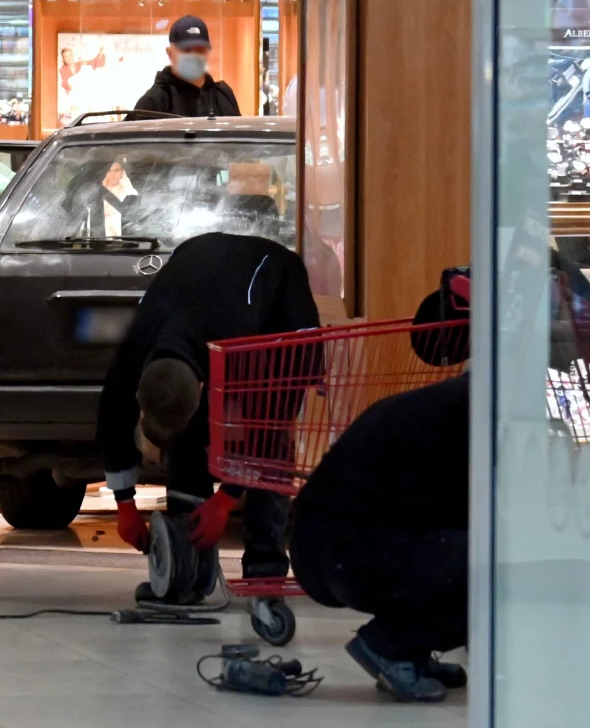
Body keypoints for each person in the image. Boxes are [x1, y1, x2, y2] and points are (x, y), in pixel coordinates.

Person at [98, 232, 319, 601]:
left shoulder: (240, 339)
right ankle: (190, 568)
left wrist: (227, 500)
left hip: (273, 286)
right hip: (196, 262)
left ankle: (264, 573)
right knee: (188, 439)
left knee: (270, 429)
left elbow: (271, 421)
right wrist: (125, 504)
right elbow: (112, 412)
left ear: (202, 389)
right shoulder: (137, 339)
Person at [291, 374, 470, 703]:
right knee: (492, 562)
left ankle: (411, 648)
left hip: (322, 550)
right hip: (346, 555)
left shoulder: (442, 406)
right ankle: (391, 644)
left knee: (470, 551)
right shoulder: (465, 420)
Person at [131, 16, 241, 119]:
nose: (193, 56)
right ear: (170, 53)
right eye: (186, 50)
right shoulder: (153, 103)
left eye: (199, 50)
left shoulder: (223, 96)